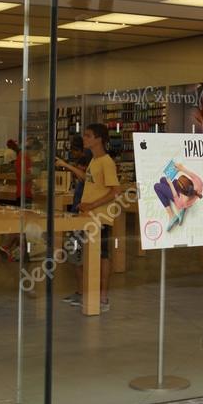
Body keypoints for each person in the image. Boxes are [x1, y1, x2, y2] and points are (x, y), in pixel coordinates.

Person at [54, 123, 119, 312]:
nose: (85, 138)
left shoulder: (106, 162)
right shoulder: (94, 161)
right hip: (86, 217)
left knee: (101, 257)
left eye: (89, 135)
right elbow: (87, 178)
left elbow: (115, 191)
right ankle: (83, 292)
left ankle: (103, 297)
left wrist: (91, 205)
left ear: (99, 139)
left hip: (100, 218)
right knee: (80, 255)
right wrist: (67, 166)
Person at [153, 162, 203, 229]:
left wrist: (171, 184)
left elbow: (175, 195)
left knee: (156, 186)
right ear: (189, 181)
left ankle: (172, 216)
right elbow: (191, 174)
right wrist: (181, 168)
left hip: (182, 202)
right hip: (186, 197)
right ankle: (182, 210)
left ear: (181, 191)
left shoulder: (181, 203)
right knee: (162, 179)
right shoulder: (199, 182)